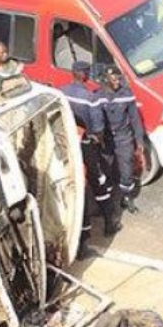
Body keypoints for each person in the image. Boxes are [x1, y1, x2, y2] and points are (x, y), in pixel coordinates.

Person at [61, 62, 121, 240]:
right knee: (98, 181)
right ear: (84, 74)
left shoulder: (61, 91)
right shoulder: (90, 98)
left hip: (67, 143)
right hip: (86, 145)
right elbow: (98, 127)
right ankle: (109, 222)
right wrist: (99, 143)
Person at [95, 67, 145, 214]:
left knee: (127, 169)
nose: (117, 81)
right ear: (106, 80)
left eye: (118, 78)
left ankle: (127, 198)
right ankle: (108, 201)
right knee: (106, 169)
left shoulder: (126, 95)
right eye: (113, 79)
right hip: (107, 140)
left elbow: (135, 120)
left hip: (124, 138)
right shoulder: (98, 96)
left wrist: (139, 141)